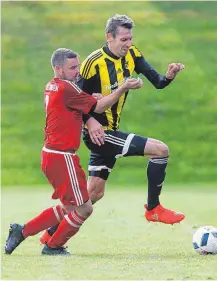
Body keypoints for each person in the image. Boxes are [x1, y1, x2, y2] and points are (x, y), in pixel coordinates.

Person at [40, 14, 186, 245]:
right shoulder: (92, 63)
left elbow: (157, 81)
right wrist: (89, 121)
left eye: (130, 39)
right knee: (161, 150)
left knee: (94, 194)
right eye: (124, 39)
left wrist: (169, 76)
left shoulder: (132, 54)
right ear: (109, 37)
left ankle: (50, 234)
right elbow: (74, 99)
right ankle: (154, 208)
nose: (128, 44)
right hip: (99, 134)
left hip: (109, 132)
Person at [4, 48, 143, 256]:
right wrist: (123, 87)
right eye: (72, 68)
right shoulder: (67, 89)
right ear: (58, 69)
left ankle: (22, 231)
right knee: (85, 209)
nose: (77, 71)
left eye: (77, 66)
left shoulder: (53, 85)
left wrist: (89, 97)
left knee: (69, 209)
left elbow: (77, 103)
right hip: (62, 157)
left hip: (53, 155)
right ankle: (52, 246)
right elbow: (98, 107)